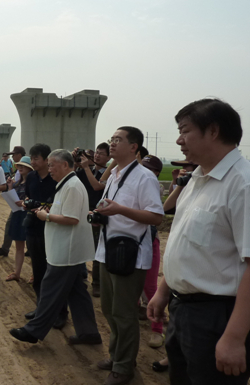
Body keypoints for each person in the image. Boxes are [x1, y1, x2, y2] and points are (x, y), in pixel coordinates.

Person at [147, 98, 250, 385]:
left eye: (185, 130)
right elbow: (186, 242)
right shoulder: (196, 179)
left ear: (213, 131)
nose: (179, 140)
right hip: (183, 311)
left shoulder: (243, 185)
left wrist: (233, 337)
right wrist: (164, 290)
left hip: (218, 317)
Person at [93, 127, 164, 385]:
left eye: (118, 140)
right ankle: (117, 356)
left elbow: (156, 216)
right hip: (108, 249)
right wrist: (101, 215)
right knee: (109, 309)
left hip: (130, 254)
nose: (112, 144)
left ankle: (124, 367)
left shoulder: (144, 177)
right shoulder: (114, 175)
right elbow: (109, 208)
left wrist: (119, 209)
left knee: (124, 313)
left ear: (134, 147)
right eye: (111, 139)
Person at [9, 150, 101, 346]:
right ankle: (89, 333)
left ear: (66, 165)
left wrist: (47, 216)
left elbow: (72, 219)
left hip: (66, 249)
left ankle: (34, 331)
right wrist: (47, 211)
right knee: (77, 293)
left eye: (52, 165)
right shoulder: (67, 184)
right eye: (48, 165)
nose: (49, 169)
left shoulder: (73, 186)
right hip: (64, 247)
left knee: (50, 289)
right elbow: (65, 211)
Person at [22, 143, 58, 320]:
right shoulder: (31, 178)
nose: (33, 161)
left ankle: (59, 312)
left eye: (36, 158)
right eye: (32, 157)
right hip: (33, 228)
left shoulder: (56, 180)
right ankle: (41, 309)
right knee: (38, 272)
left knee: (52, 273)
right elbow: (28, 197)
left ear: (46, 160)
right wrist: (26, 203)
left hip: (51, 229)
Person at [75, 143, 111, 297]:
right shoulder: (84, 171)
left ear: (109, 157)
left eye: (101, 153)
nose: (97, 155)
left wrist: (86, 168)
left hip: (98, 215)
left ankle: (97, 283)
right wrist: (75, 160)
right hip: (83, 213)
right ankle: (80, 276)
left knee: (98, 250)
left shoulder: (108, 174)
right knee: (79, 246)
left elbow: (97, 187)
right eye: (96, 152)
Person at [138, 154, 165, 349]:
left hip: (149, 241)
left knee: (150, 286)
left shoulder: (155, 186)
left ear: (156, 173)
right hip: (133, 241)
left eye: (149, 169)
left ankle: (157, 329)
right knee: (132, 286)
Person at [4, 156, 32, 282]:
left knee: (33, 248)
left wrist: (26, 202)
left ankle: (35, 274)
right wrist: (10, 187)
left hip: (29, 215)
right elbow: (13, 197)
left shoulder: (33, 183)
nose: (20, 168)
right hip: (17, 214)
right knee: (19, 247)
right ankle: (17, 272)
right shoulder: (16, 183)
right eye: (19, 166)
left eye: (23, 166)